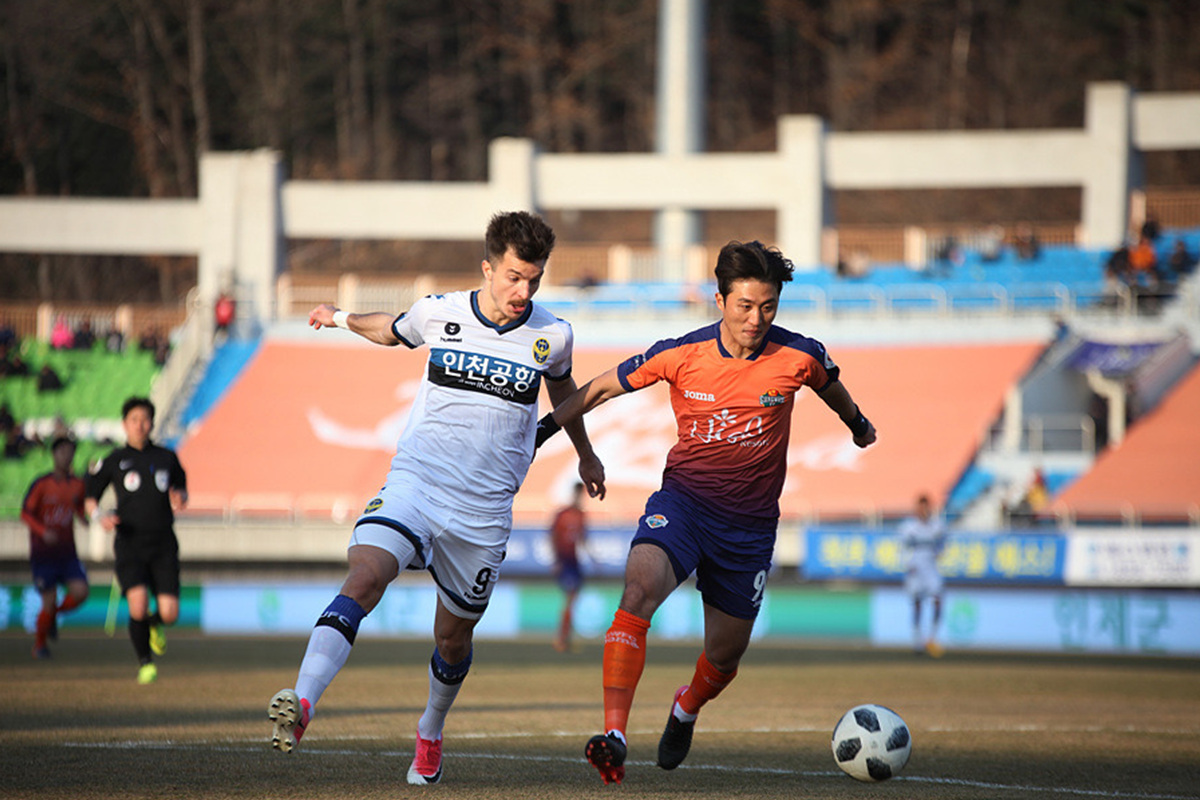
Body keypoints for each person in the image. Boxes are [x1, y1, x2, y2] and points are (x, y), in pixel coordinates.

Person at [266, 211, 604, 786]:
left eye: (534, 280)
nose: (523, 292)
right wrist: (340, 317)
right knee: (365, 577)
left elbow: (564, 391)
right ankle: (302, 702)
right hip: (417, 484)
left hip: (484, 512)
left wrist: (585, 453)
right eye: (514, 277)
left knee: (452, 639)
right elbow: (390, 329)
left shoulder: (554, 335)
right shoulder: (440, 311)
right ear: (487, 268)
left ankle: (430, 728)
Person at [534, 239, 878, 784]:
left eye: (768, 307)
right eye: (745, 305)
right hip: (684, 505)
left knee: (724, 657)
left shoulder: (800, 355)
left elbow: (830, 386)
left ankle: (686, 707)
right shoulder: (680, 353)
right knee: (637, 592)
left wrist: (857, 424)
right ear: (720, 300)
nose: (756, 319)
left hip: (749, 528)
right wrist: (541, 433)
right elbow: (599, 389)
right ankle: (615, 735)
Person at [84, 397, 188, 685]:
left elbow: (182, 488)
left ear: (152, 423)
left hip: (163, 543)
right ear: (124, 424)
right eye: (134, 420)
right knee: (138, 605)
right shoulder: (115, 459)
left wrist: (180, 497)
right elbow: (90, 497)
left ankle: (156, 624)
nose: (140, 425)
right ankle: (145, 663)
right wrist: (100, 517)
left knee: (170, 613)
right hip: (130, 543)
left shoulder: (167, 457)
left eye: (144, 419)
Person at [22, 436, 90, 659]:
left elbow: (79, 507)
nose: (66, 456)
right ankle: (39, 645)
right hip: (44, 554)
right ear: (54, 454)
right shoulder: (42, 484)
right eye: (62, 451)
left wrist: (83, 518)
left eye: (70, 452)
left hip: (67, 552)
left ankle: (52, 617)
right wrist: (43, 531)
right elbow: (25, 513)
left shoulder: (78, 484)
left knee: (81, 592)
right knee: (48, 600)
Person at [899, 494, 948, 657]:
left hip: (931, 568)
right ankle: (917, 640)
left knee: (937, 599)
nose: (923, 511)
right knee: (917, 603)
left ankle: (932, 637)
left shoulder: (938, 526)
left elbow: (944, 542)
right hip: (915, 569)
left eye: (926, 508)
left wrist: (939, 553)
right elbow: (901, 548)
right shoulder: (908, 527)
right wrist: (907, 564)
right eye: (920, 508)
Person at [549, 481, 589, 653]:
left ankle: (565, 638)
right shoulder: (562, 514)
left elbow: (583, 539)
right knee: (570, 598)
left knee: (572, 600)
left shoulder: (581, 515)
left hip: (574, 561)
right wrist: (556, 560)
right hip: (564, 560)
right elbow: (553, 536)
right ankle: (561, 638)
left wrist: (594, 559)